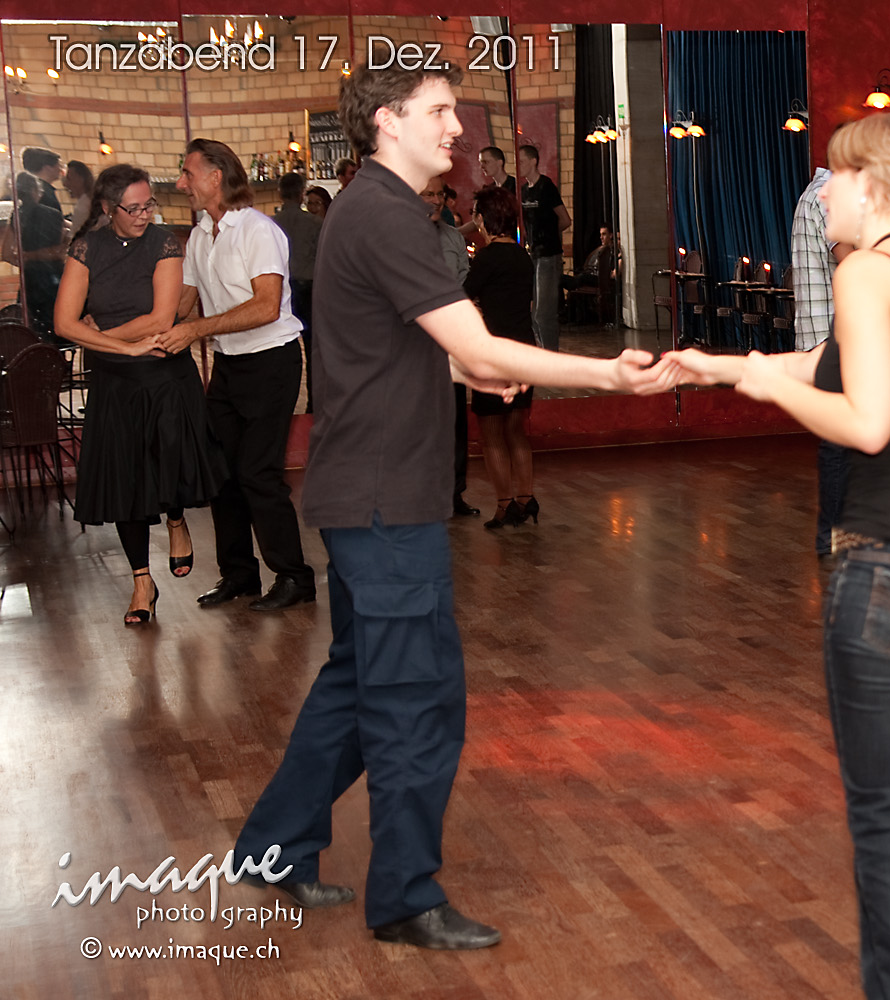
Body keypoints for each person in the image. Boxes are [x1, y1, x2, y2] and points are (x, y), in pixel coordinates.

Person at [232, 62, 667, 951]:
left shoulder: (373, 209)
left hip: (372, 493)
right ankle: (403, 897)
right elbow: (477, 344)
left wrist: (470, 369)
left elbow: (427, 346)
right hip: (385, 500)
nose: (456, 128)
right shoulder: (384, 213)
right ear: (387, 122)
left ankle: (273, 847)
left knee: (358, 686)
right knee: (416, 702)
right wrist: (606, 373)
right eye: (438, 111)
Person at [662, 113, 890, 1000]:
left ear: (873, 186)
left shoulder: (862, 271)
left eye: (834, 178)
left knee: (883, 819)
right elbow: (828, 361)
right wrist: (724, 366)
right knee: (889, 799)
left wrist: (765, 390)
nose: (820, 196)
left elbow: (866, 422)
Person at [52, 164, 225, 623]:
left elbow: (161, 319)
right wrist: (122, 347)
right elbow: (63, 323)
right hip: (115, 382)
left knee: (168, 466)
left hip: (164, 378)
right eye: (134, 208)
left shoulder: (164, 243)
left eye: (150, 204)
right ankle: (142, 583)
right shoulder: (87, 249)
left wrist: (100, 336)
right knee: (125, 483)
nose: (145, 214)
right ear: (109, 208)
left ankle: (175, 519)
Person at [166, 138, 317, 612]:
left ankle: (295, 577)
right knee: (223, 474)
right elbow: (182, 304)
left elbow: (267, 306)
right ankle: (239, 575)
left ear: (216, 177)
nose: (182, 183)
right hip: (230, 363)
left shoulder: (257, 230)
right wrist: (130, 327)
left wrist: (196, 329)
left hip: (271, 362)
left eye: (188, 173)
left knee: (257, 473)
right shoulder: (200, 236)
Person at [790, 160, 855, 556]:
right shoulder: (828, 197)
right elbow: (851, 256)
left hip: (823, 333)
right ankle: (836, 538)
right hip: (833, 335)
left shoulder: (813, 193)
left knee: (843, 442)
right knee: (842, 445)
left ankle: (839, 537)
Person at [464, 187, 539, 529]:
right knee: (516, 430)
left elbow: (462, 297)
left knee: (491, 432)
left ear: (483, 218)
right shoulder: (523, 257)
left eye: (476, 215)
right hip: (524, 350)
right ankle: (526, 497)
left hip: (494, 353)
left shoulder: (486, 258)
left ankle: (504, 504)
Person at [420, 174, 479, 517]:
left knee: (455, 421)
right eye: (428, 194)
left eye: (439, 194)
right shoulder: (400, 239)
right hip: (414, 346)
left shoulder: (453, 237)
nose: (435, 200)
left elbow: (464, 282)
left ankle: (454, 494)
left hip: (450, 343)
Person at [271, 171, 321, 413]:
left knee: (279, 348)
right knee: (313, 349)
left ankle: (281, 405)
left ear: (280, 194)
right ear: (302, 194)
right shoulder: (315, 223)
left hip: (280, 289)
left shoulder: (269, 224)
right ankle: (313, 403)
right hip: (309, 288)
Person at [517, 143, 569, 350]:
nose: (519, 165)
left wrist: (548, 236)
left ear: (533, 161)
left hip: (548, 254)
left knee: (543, 312)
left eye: (522, 161)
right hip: (533, 254)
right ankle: (542, 350)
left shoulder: (546, 186)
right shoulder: (523, 191)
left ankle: (550, 354)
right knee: (534, 313)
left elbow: (565, 219)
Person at [6, 172, 68, 337]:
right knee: (58, 330)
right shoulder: (53, 214)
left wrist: (24, 259)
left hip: (30, 280)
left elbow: (6, 252)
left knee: (31, 332)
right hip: (53, 279)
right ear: (36, 191)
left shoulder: (16, 215)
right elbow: (58, 251)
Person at [20, 146, 64, 213]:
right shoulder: (44, 193)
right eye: (59, 165)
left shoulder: (28, 189)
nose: (61, 170)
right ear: (48, 167)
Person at [62, 160, 95, 240]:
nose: (65, 184)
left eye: (69, 179)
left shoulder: (84, 205)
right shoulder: (88, 201)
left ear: (81, 179)